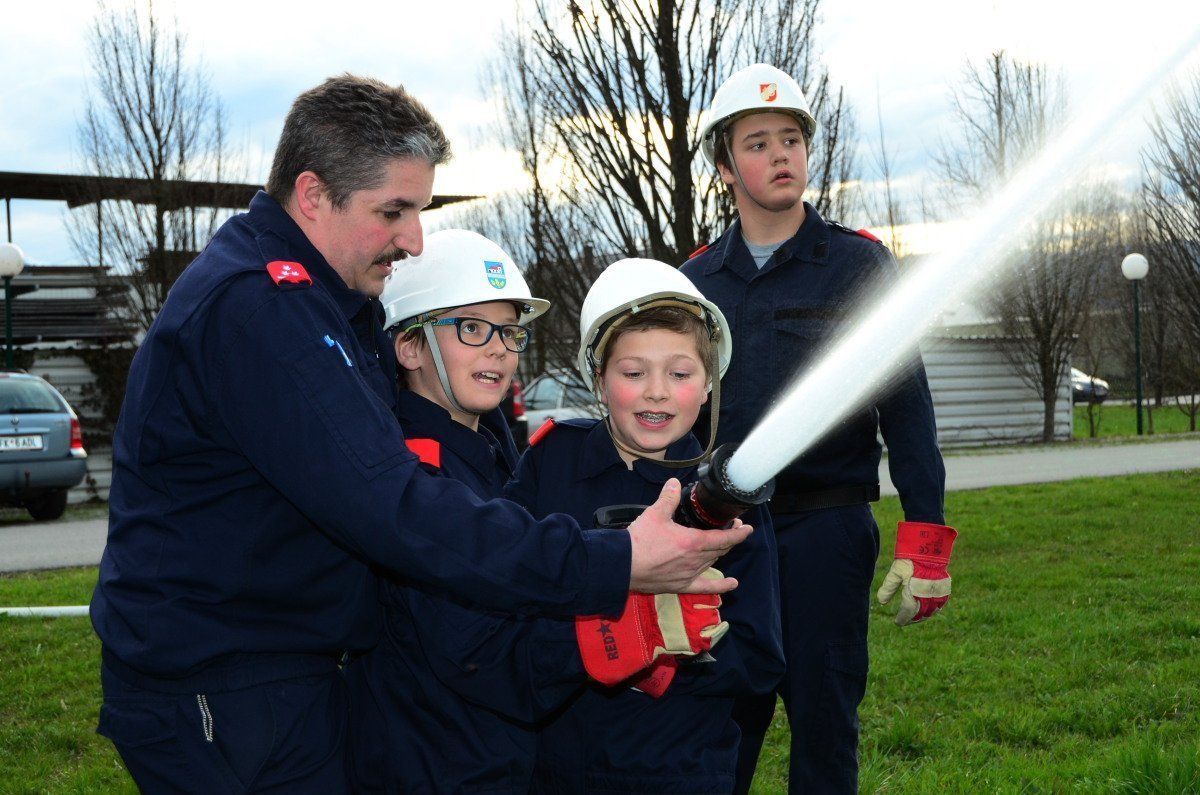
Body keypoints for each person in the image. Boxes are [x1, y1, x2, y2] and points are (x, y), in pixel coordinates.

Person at [89, 75, 750, 794]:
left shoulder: (316, 303)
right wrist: (615, 560)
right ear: (312, 195)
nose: (413, 240)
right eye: (393, 212)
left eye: (419, 211)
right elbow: (393, 504)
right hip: (225, 689)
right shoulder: (261, 311)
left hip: (265, 676)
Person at [345, 230, 728, 792]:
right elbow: (473, 651)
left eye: (510, 331)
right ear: (409, 347)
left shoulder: (488, 454)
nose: (499, 349)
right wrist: (619, 634)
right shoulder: (415, 477)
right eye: (472, 328)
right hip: (435, 765)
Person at [680, 63, 959, 793]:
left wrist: (926, 537)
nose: (780, 155)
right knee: (716, 731)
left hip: (826, 537)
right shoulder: (695, 284)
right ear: (725, 166)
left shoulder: (858, 264)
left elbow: (908, 407)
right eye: (757, 143)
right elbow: (672, 421)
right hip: (725, 539)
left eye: (791, 139)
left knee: (826, 729)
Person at [505, 258, 786, 794]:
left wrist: (673, 656)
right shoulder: (550, 463)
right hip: (555, 767)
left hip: (680, 770)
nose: (657, 391)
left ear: (708, 385)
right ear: (600, 380)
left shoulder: (732, 496)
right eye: (633, 373)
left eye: (680, 374)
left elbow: (760, 659)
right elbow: (504, 595)